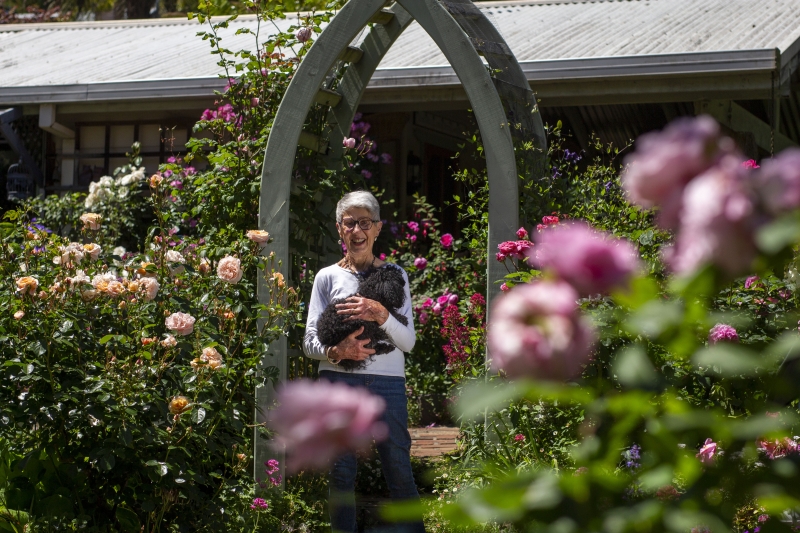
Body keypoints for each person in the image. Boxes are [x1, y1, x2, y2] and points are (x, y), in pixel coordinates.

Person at [303, 190, 425, 533]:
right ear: (339, 229)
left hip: (388, 383)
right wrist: (337, 352)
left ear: (377, 228)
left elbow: (409, 342)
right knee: (341, 472)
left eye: (365, 223)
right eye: (349, 222)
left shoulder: (395, 274)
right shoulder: (326, 277)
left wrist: (381, 313)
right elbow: (309, 341)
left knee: (398, 467)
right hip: (339, 382)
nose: (357, 230)